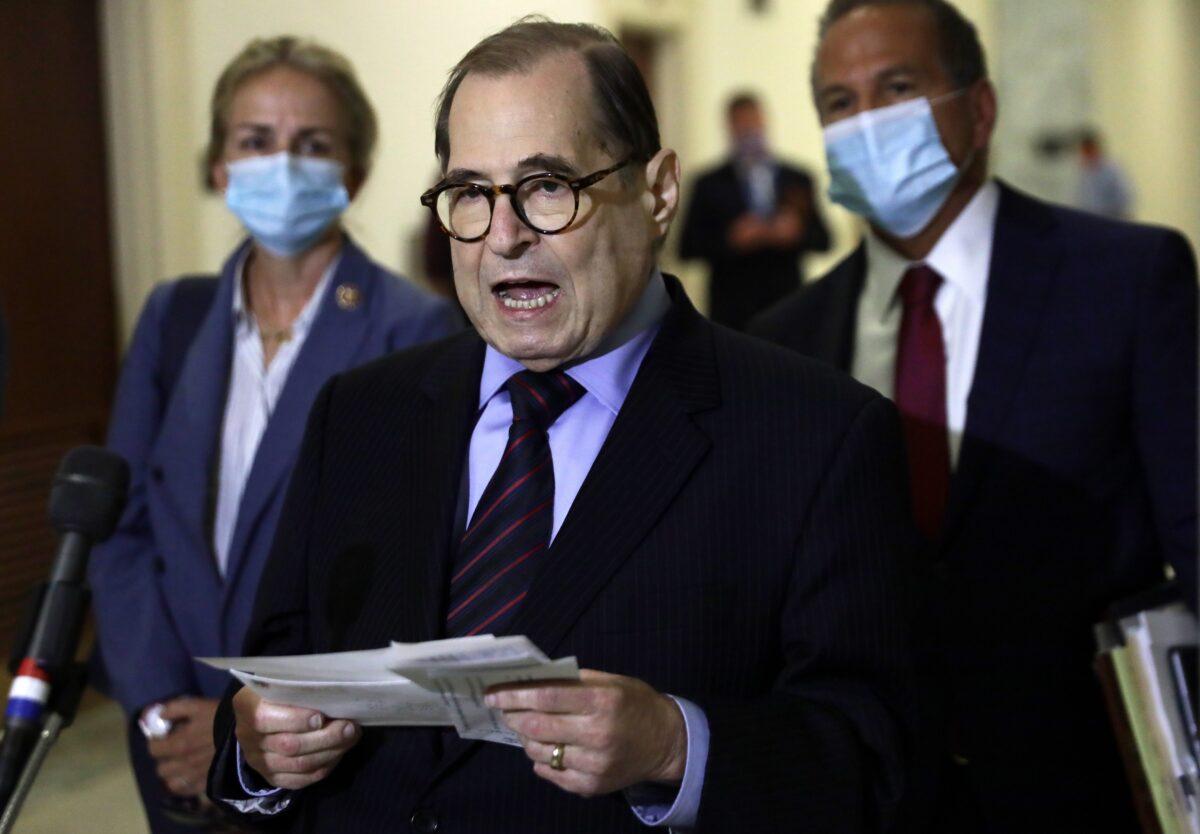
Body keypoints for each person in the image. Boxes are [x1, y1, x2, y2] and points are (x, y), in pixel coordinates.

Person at [207, 17, 917, 834]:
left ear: (656, 193)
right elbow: (267, 682)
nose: (503, 237)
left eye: (548, 186)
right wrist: (254, 751)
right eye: (470, 194)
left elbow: (879, 762)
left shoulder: (816, 437)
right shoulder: (360, 414)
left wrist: (675, 748)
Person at [749, 1, 1198, 832]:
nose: (867, 122)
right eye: (839, 105)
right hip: (878, 800)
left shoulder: (1125, 281)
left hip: (1089, 788)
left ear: (979, 107)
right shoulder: (784, 343)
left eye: (898, 87)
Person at [88, 36, 457, 833]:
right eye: (255, 141)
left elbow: (397, 573)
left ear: (353, 171)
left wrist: (238, 724)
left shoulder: (414, 329)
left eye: (313, 145)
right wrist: (162, 712)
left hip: (316, 749)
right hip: (170, 748)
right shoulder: (174, 316)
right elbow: (121, 531)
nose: (282, 164)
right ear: (219, 167)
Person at [679, 93, 830, 331]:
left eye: (753, 121)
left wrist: (795, 233)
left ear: (764, 121)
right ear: (729, 127)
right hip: (732, 313)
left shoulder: (797, 178)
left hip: (788, 306)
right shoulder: (708, 183)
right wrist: (731, 240)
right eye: (741, 123)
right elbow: (686, 248)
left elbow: (824, 240)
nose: (749, 130)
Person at [1076, 128, 1134, 220]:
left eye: (1087, 151)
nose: (1084, 156)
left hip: (1112, 220)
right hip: (1091, 221)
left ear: (1094, 149)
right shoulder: (1084, 171)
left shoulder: (1113, 169)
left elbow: (1125, 198)